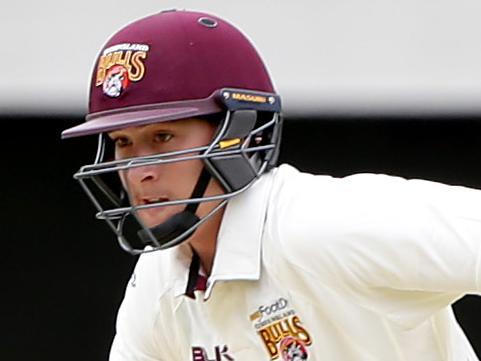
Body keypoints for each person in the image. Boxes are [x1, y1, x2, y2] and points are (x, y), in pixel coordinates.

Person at [62, 9, 481, 361]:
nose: (139, 171)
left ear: (240, 133)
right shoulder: (160, 281)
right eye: (122, 143)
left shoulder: (323, 226)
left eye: (163, 138)